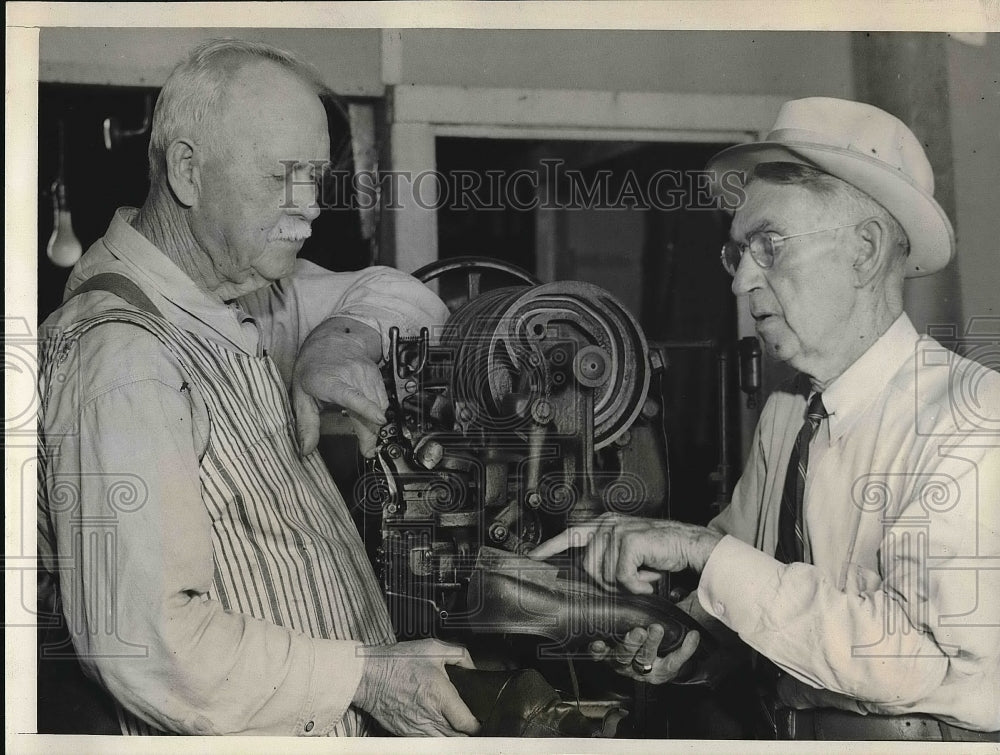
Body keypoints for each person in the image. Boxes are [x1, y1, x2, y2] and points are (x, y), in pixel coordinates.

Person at [37, 39, 480, 737]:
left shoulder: (237, 291)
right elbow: (152, 644)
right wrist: (366, 676)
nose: (308, 208)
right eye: (283, 175)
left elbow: (409, 297)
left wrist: (337, 343)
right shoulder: (122, 354)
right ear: (187, 170)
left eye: (317, 177)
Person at [532, 97, 1000, 740]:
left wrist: (699, 549)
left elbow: (901, 662)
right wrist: (683, 633)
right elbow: (750, 588)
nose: (741, 281)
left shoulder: (970, 422)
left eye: (769, 246)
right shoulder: (787, 417)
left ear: (865, 251)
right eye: (740, 252)